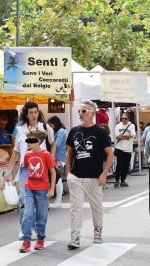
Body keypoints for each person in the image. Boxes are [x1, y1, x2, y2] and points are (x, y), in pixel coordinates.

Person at [65, 100, 113, 250]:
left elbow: (110, 154)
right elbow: (69, 152)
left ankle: (97, 231)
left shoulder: (100, 132)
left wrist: (105, 173)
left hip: (94, 177)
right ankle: (75, 237)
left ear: (92, 114)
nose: (80, 113)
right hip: (76, 176)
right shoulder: (74, 131)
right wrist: (68, 173)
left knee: (96, 207)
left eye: (84, 111)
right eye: (79, 111)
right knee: (75, 208)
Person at [5, 101, 56, 240]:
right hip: (25, 168)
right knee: (24, 199)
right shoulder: (20, 129)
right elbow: (16, 152)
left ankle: (35, 228)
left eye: (36, 112)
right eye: (31, 113)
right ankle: (24, 228)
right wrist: (9, 171)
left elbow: (52, 144)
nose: (34, 115)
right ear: (26, 115)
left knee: (39, 201)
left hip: (40, 169)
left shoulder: (44, 127)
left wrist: (51, 157)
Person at [14, 128, 56, 253]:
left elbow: (52, 171)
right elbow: (27, 169)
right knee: (27, 213)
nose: (28, 143)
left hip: (42, 189)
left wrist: (52, 188)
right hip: (29, 188)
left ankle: (40, 239)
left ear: (38, 141)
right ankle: (26, 240)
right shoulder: (27, 154)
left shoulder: (46, 154)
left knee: (41, 215)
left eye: (30, 141)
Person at [47, 116, 67, 208]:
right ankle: (57, 200)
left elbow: (57, 145)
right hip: (55, 159)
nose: (50, 127)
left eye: (51, 125)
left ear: (55, 124)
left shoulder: (61, 132)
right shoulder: (57, 131)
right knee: (56, 179)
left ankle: (58, 201)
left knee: (58, 179)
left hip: (59, 159)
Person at [114, 113, 136, 187]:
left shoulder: (131, 125)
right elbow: (117, 137)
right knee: (119, 165)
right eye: (122, 118)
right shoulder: (118, 126)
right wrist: (127, 136)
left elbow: (133, 135)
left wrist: (123, 136)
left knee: (126, 166)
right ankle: (117, 180)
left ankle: (123, 180)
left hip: (128, 149)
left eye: (125, 118)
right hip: (119, 148)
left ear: (129, 119)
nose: (123, 119)